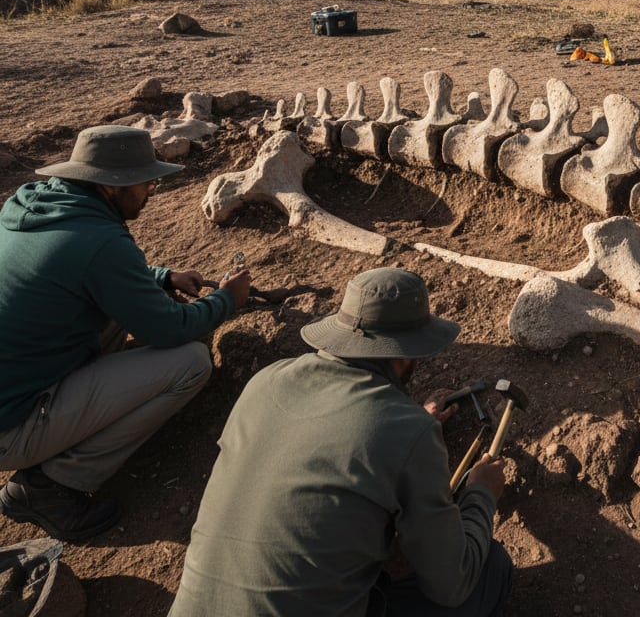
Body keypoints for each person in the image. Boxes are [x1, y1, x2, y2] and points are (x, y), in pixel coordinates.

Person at [169, 266, 513, 617]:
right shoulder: (410, 432)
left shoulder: (265, 382)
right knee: (491, 570)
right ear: (408, 351)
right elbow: (452, 584)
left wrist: (408, 430)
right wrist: (481, 494)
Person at [0, 125, 250, 542]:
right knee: (190, 362)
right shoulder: (99, 241)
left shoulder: (30, 205)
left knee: (124, 308)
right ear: (111, 187)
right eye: (146, 181)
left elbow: (79, 271)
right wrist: (227, 299)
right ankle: (48, 486)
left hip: (15, 383)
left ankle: (76, 413)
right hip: (11, 427)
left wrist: (159, 277)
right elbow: (171, 330)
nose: (152, 190)